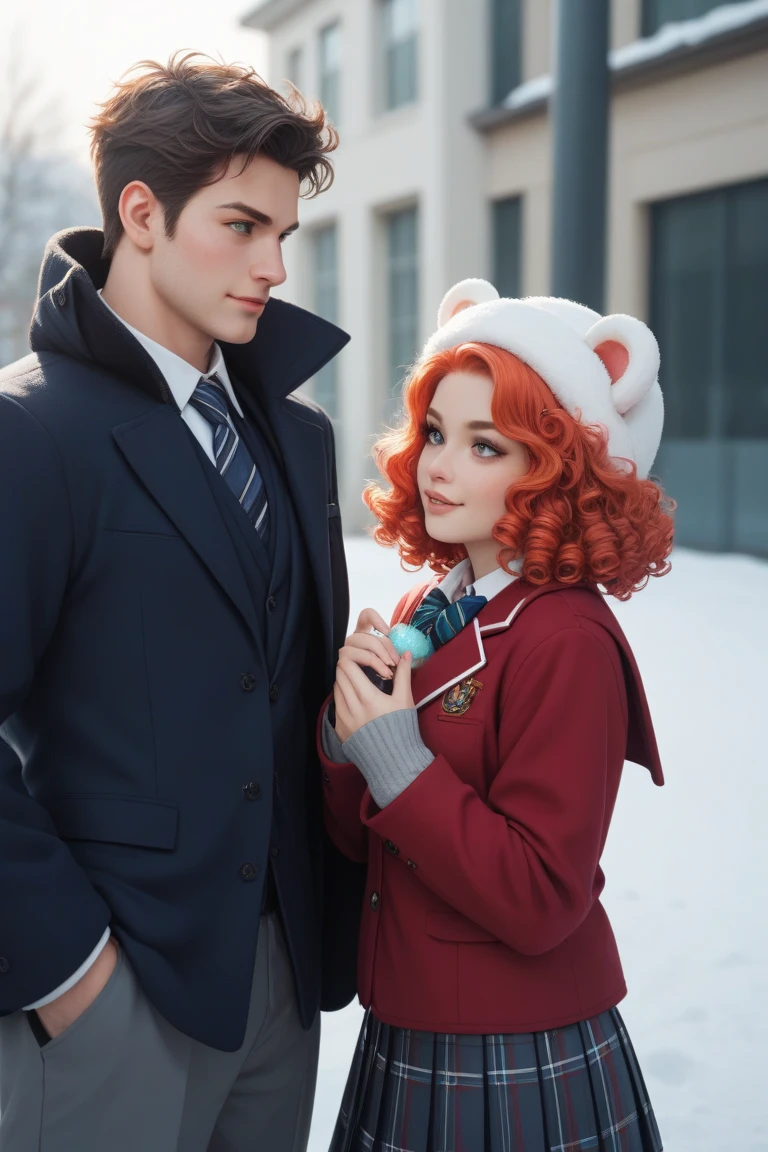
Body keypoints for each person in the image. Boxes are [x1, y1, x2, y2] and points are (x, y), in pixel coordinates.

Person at [0, 53, 363, 1152]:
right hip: (115, 986)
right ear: (141, 213)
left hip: (282, 985)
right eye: (243, 226)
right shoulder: (29, 433)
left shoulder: (293, 435)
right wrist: (74, 976)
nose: (272, 265)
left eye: (285, 237)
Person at [319, 279, 673, 1152]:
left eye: (485, 446)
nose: (436, 464)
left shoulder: (569, 640)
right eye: (436, 433)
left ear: (556, 470)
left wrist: (397, 761)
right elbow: (361, 841)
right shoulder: (426, 608)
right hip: (407, 1015)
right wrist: (344, 734)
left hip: (518, 1040)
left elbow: (544, 898)